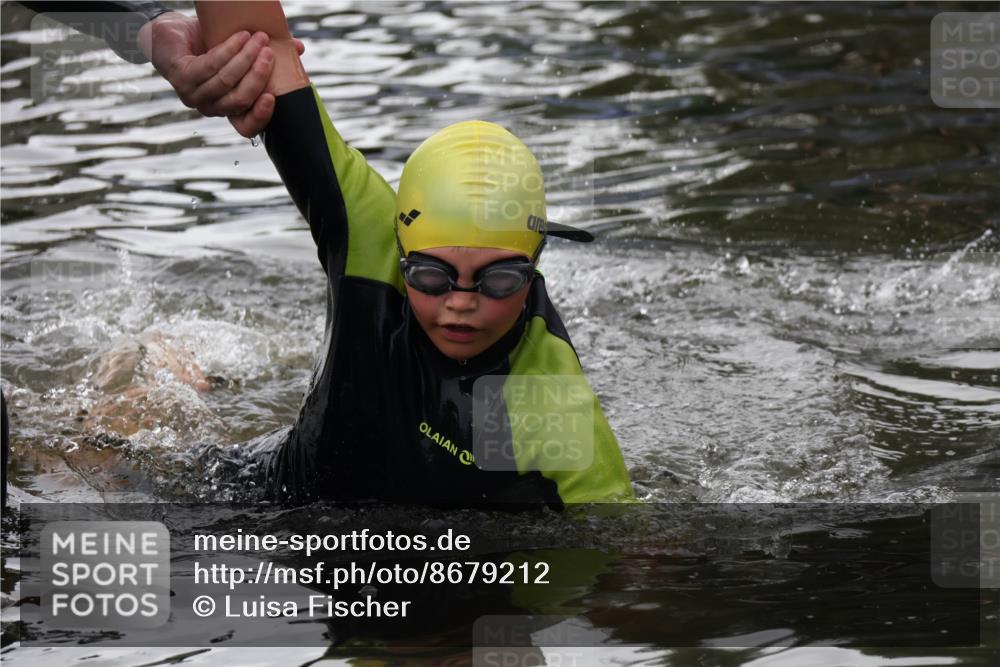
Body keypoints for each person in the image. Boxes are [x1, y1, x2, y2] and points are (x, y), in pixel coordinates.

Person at [197, 1, 634, 509]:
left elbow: (616, 547)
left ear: (534, 267)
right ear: (400, 248)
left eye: (497, 281)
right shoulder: (369, 239)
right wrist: (232, 57)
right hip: (274, 498)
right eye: (430, 276)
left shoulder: (537, 392)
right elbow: (262, 46)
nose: (461, 303)